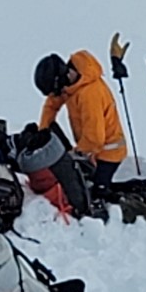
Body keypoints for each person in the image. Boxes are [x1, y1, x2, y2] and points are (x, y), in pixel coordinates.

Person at [32, 49, 128, 196]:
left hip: (109, 152)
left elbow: (94, 138)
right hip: (90, 149)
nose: (58, 93)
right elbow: (52, 104)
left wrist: (75, 153)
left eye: (56, 89)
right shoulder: (71, 84)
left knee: (98, 192)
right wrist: (43, 131)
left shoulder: (90, 95)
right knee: (85, 182)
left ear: (62, 79)